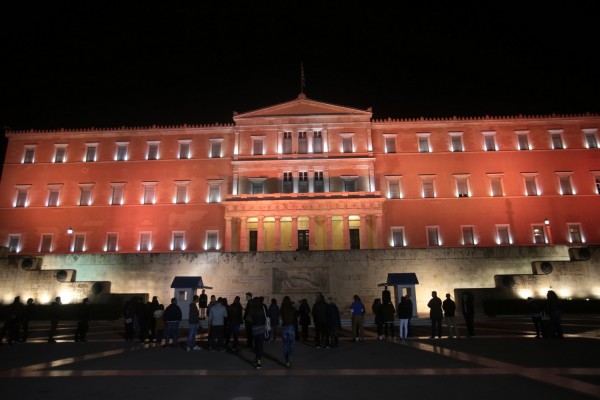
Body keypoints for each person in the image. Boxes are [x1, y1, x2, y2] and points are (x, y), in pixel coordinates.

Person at [249, 296, 267, 369]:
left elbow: (249, 318)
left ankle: (257, 356)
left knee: (256, 343)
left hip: (255, 327)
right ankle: (259, 361)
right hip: (261, 327)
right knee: (260, 344)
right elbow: (267, 315)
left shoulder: (252, 308)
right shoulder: (263, 307)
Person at [280, 296, 296, 367]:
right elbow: (295, 318)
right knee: (292, 343)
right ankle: (290, 355)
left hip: (284, 327)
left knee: (285, 344)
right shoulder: (292, 309)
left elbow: (281, 317)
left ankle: (287, 361)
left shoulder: (282, 309)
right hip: (291, 327)